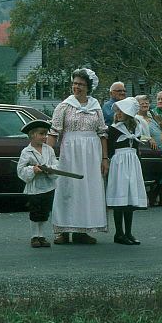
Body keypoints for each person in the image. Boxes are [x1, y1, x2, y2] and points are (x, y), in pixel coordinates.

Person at [47, 68, 108, 245]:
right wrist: (47, 156)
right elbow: (53, 132)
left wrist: (105, 158)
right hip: (70, 153)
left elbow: (103, 133)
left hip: (91, 154)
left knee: (87, 190)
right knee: (67, 188)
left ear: (88, 87)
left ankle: (83, 230)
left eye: (81, 84)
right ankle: (64, 231)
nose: (76, 87)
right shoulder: (64, 106)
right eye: (74, 83)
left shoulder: (96, 107)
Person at [106, 97, 148, 245]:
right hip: (120, 164)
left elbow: (137, 148)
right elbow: (110, 149)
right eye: (116, 111)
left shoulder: (136, 128)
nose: (117, 114)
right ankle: (119, 233)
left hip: (132, 163)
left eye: (120, 111)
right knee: (121, 196)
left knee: (130, 197)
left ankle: (128, 232)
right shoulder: (114, 129)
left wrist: (139, 163)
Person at [16, 120, 58, 248]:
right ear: (32, 135)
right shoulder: (26, 152)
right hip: (34, 188)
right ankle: (34, 236)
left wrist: (47, 169)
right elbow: (20, 170)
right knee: (35, 212)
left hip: (47, 186)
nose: (45, 137)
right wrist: (32, 170)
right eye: (41, 134)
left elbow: (55, 165)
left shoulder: (49, 150)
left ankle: (42, 235)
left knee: (44, 212)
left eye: (46, 134)